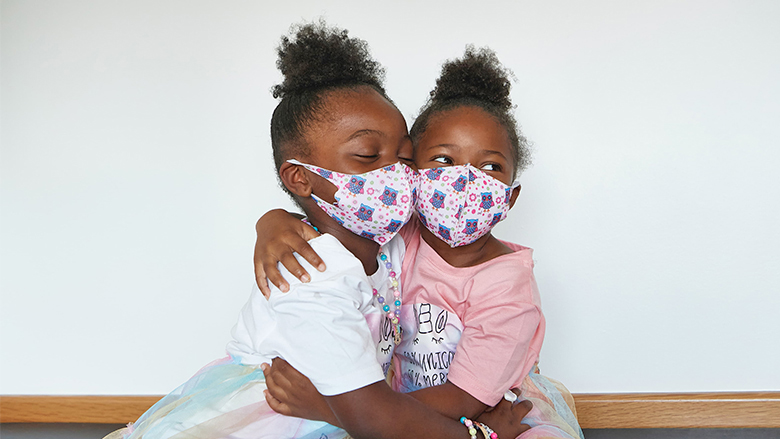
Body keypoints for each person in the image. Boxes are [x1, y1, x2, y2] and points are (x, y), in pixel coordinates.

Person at [105, 22, 530, 439]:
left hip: (352, 411)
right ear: (300, 177)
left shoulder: (389, 243)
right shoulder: (309, 276)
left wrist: (272, 219)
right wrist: (480, 436)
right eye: (367, 154)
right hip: (278, 418)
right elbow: (372, 417)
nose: (395, 174)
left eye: (403, 157)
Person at [254, 47, 583, 439]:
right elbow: (334, 220)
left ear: (509, 197)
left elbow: (465, 398)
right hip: (394, 411)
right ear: (416, 175)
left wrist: (331, 411)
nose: (464, 181)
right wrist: (274, 221)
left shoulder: (510, 291)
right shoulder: (393, 234)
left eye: (491, 166)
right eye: (442, 161)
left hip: (484, 411)